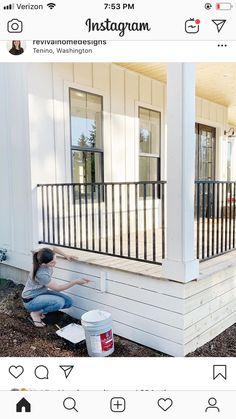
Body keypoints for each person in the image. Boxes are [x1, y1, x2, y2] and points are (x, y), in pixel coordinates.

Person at [22, 246, 91, 327]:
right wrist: (75, 282)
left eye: (55, 260)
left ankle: (41, 310)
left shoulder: (43, 255)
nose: (55, 263)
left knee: (69, 302)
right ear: (43, 264)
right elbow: (58, 288)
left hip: (41, 293)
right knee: (59, 302)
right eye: (52, 263)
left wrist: (66, 255)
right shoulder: (41, 274)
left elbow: (53, 248)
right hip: (30, 300)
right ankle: (36, 313)